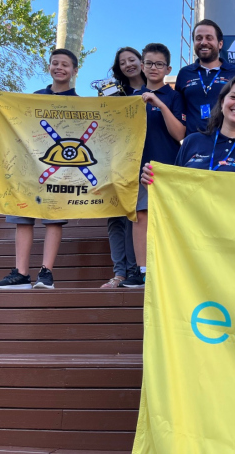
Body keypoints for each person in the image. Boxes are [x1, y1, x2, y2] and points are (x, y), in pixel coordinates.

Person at [0, 49, 80, 289]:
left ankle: (46, 272)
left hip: (60, 171)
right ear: (49, 67)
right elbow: (15, 116)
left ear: (74, 71)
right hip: (28, 167)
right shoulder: (35, 96)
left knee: (54, 218)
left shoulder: (80, 103)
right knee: (22, 215)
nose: (59, 67)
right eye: (54, 63)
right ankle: (21, 273)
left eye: (65, 64)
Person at [125, 43, 186, 288]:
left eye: (159, 64)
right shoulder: (130, 98)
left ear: (168, 68)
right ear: (142, 65)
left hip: (168, 164)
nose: (153, 68)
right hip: (137, 166)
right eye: (149, 63)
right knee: (141, 215)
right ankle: (142, 271)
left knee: (167, 217)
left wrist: (159, 105)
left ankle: (168, 269)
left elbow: (180, 132)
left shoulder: (174, 96)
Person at [142, 74, 235, 185]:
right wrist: (155, 186)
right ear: (222, 102)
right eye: (233, 97)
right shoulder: (192, 142)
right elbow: (175, 189)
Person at [101, 47, 145, 288]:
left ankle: (134, 271)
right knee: (115, 217)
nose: (128, 64)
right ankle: (119, 273)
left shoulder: (155, 89)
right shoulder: (113, 92)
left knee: (134, 216)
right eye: (122, 62)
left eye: (132, 59)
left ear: (141, 61)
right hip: (115, 161)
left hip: (145, 161)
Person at [175, 19, 235, 135]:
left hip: (227, 143)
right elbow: (179, 111)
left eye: (209, 38)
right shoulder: (184, 73)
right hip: (194, 145)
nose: (203, 42)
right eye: (198, 38)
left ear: (220, 44)